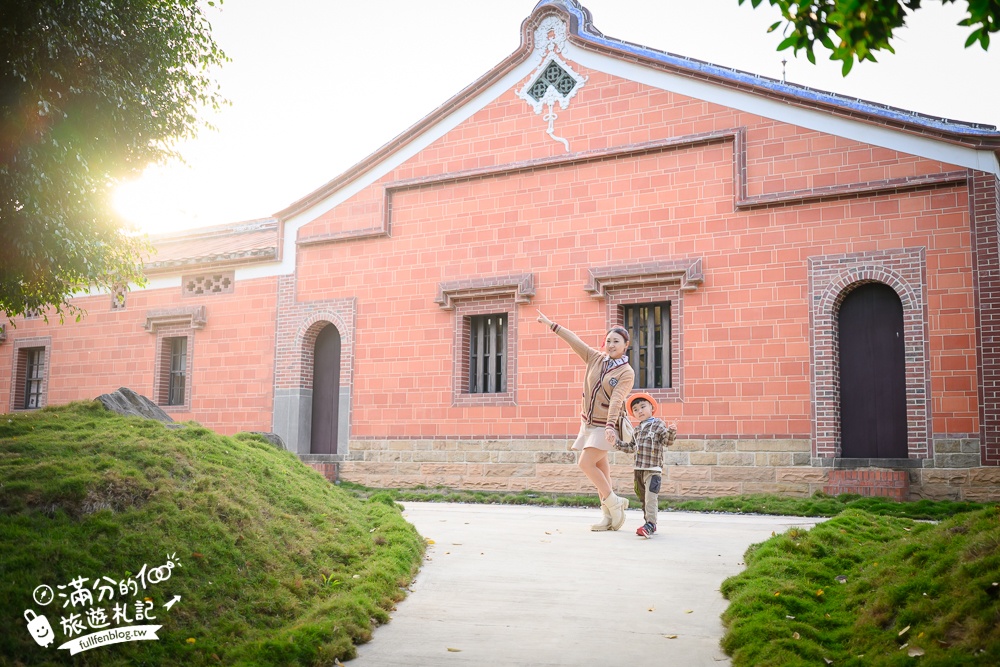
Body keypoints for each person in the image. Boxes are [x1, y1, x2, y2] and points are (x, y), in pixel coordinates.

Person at [536, 310, 635, 531]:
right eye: (608, 340)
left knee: (585, 463)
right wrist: (551, 323)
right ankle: (608, 517)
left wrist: (610, 426)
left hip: (606, 426)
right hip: (588, 424)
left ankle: (615, 502)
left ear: (625, 345)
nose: (611, 345)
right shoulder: (595, 358)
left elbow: (617, 400)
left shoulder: (626, 372)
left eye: (616, 341)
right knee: (602, 470)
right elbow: (575, 340)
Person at [615, 392, 677, 538]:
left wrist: (672, 431)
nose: (639, 411)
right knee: (643, 498)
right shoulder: (637, 430)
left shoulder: (658, 424)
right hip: (639, 470)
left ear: (652, 408)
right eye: (635, 409)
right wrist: (615, 443)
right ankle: (648, 523)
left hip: (652, 469)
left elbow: (667, 441)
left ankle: (650, 523)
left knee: (651, 497)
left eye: (643, 407)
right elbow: (631, 447)